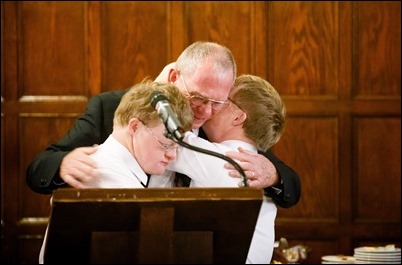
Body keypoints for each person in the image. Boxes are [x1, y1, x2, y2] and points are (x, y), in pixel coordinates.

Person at [25, 41, 301, 208]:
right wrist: (63, 165)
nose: (205, 111)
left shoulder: (214, 125)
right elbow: (39, 168)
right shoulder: (109, 106)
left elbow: (289, 185)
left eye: (217, 102)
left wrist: (273, 175)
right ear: (172, 76)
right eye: (197, 97)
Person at [39, 80, 193, 263]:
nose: (172, 156)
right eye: (166, 144)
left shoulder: (112, 165)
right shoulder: (107, 176)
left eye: (177, 147)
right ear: (135, 127)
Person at [167, 74, 287, 263]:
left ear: (238, 117)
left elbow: (165, 138)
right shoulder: (251, 164)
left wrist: (172, 85)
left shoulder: (226, 161)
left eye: (221, 100)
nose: (211, 106)